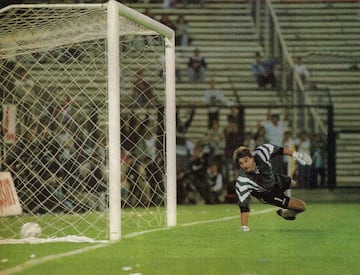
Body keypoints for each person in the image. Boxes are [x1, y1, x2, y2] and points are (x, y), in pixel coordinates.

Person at [233, 144, 312, 232]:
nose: (244, 165)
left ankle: (285, 202)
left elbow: (279, 150)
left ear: (252, 157)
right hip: (268, 194)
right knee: (301, 206)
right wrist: (244, 226)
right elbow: (244, 205)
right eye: (241, 163)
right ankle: (285, 213)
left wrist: (297, 155)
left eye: (246, 161)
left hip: (275, 180)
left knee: (293, 184)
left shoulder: (261, 153)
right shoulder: (242, 180)